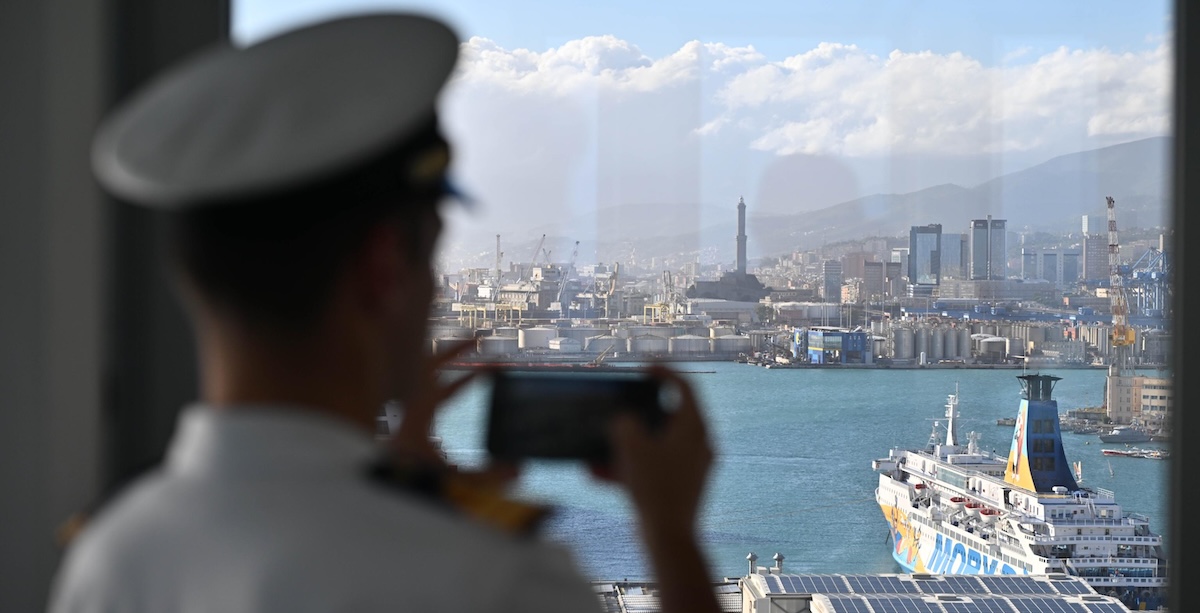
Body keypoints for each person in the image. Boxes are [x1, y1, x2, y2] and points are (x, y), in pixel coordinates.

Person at [48, 12, 719, 613]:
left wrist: (397, 480)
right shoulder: (492, 580)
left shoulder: (109, 557)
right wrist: (672, 536)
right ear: (385, 265)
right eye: (431, 261)